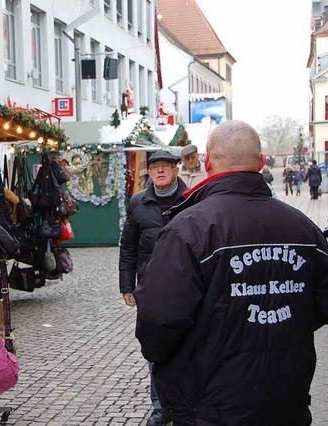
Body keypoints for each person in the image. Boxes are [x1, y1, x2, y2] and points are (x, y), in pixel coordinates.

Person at [134, 120, 328, 425]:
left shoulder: (187, 230)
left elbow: (157, 323)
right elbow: (323, 307)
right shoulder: (304, 228)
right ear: (260, 162)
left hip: (208, 405)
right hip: (285, 398)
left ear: (207, 161)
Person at [119, 150, 187, 426]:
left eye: (166, 167)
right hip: (150, 288)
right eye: (155, 167)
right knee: (155, 346)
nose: (160, 171)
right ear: (148, 172)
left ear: (175, 170)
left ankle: (185, 402)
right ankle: (160, 406)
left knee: (188, 345)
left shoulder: (191, 200)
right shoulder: (138, 203)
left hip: (186, 285)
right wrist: (127, 285)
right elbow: (128, 247)